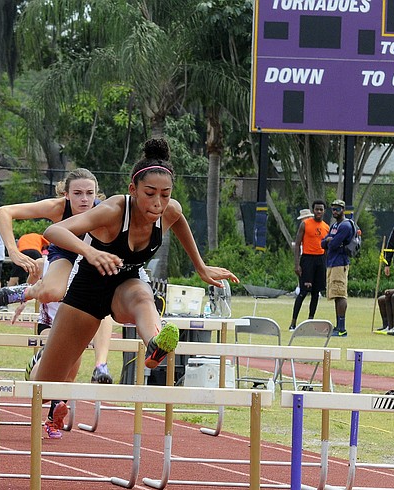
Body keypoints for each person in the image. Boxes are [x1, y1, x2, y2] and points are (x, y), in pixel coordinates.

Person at [30, 138, 238, 437]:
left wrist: (200, 266)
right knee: (44, 388)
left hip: (125, 285)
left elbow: (180, 222)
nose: (158, 203)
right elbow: (54, 230)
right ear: (133, 190)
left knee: (143, 294)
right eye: (150, 194)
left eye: (165, 194)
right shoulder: (113, 210)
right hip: (88, 290)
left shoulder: (169, 210)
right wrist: (90, 252)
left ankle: (155, 344)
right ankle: (39, 362)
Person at [0, 168, 115, 395]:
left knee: (103, 305)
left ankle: (101, 365)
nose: (84, 199)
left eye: (89, 193)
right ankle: (27, 291)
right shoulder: (58, 208)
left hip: (94, 256)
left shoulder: (106, 211)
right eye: (77, 193)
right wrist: (13, 251)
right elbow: (3, 211)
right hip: (65, 252)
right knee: (52, 293)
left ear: (97, 194)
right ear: (66, 194)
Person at [290, 200, 329, 330]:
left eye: (321, 209)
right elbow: (297, 244)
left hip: (320, 260)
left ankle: (310, 321)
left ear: (324, 211)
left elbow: (327, 247)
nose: (319, 212)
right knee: (303, 292)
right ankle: (293, 322)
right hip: (307, 259)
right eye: (317, 209)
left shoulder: (326, 227)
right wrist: (297, 264)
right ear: (313, 210)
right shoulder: (305, 224)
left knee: (316, 293)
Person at [320, 199, 353, 337]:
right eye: (333, 209)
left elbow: (333, 244)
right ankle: (338, 326)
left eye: (337, 209)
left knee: (340, 294)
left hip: (340, 262)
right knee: (335, 294)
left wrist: (329, 241)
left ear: (343, 210)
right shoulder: (334, 225)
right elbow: (323, 243)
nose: (334, 211)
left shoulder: (345, 225)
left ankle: (342, 328)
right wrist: (328, 241)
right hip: (332, 262)